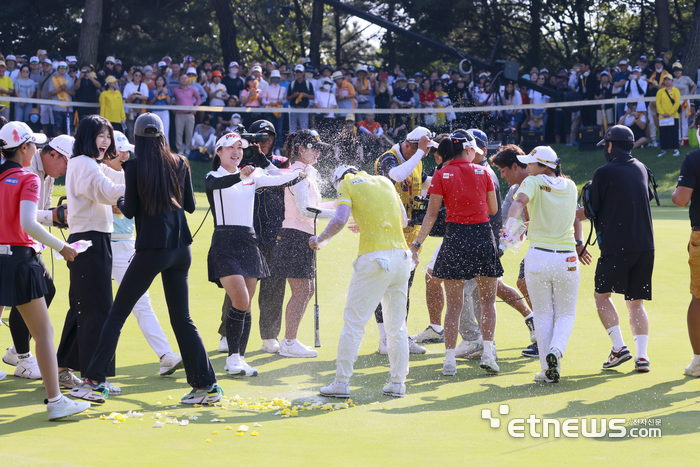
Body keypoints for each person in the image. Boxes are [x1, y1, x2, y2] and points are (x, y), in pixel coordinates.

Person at [68, 113, 221, 404]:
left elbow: (129, 209)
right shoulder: (180, 162)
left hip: (152, 250)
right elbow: (189, 205)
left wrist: (125, 198)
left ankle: (94, 381)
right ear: (163, 135)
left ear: (137, 138)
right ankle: (206, 386)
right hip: (181, 250)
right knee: (182, 318)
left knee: (116, 314)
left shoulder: (136, 165)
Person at [0, 122, 91, 420]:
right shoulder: (28, 177)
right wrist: (62, 247)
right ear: (24, 148)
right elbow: (28, 223)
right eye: (34, 146)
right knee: (45, 334)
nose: (36, 151)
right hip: (20, 261)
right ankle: (56, 402)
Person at [205, 131, 304, 376]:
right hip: (225, 242)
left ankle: (238, 358)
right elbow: (219, 185)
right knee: (240, 301)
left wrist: (300, 173)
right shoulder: (213, 175)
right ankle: (232, 357)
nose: (236, 152)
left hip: (249, 242)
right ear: (219, 152)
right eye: (230, 148)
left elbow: (282, 179)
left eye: (240, 147)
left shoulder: (253, 175)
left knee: (246, 305)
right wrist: (241, 175)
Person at [409, 131, 501, 376]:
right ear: (468, 151)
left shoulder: (441, 174)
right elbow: (493, 209)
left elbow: (431, 214)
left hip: (455, 238)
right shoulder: (484, 172)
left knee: (454, 305)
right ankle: (488, 354)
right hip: (482, 236)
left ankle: (449, 361)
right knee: (488, 301)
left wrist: (417, 244)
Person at [315, 165, 411, 398]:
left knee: (354, 323)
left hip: (374, 260)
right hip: (401, 258)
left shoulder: (346, 184)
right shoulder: (385, 181)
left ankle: (341, 382)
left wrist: (319, 239)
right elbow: (404, 221)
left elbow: (339, 219)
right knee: (397, 326)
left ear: (338, 179)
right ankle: (398, 383)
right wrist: (367, 221)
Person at [103, 130, 183, 376]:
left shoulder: (131, 172)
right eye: (120, 150)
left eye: (128, 149)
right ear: (106, 153)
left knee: (133, 304)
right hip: (108, 244)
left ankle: (165, 355)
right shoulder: (103, 174)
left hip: (127, 243)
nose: (125, 154)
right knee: (99, 305)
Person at [56, 115, 125, 394]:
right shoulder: (84, 163)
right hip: (90, 240)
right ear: (87, 136)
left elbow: (116, 178)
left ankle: (62, 368)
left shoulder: (89, 163)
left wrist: (142, 172)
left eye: (108, 136)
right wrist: (145, 184)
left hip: (92, 239)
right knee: (96, 310)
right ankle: (95, 378)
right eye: (101, 136)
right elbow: (107, 191)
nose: (106, 141)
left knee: (82, 308)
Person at [577, 125, 655, 373]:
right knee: (635, 302)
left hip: (616, 246)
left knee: (602, 296)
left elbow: (590, 210)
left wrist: (568, 214)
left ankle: (619, 347)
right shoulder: (641, 167)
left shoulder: (603, 172)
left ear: (610, 146)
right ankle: (642, 357)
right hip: (645, 245)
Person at [503, 146, 584, 383]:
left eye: (530, 164)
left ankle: (548, 369)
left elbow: (518, 203)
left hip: (538, 257)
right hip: (567, 257)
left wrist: (509, 228)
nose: (527, 168)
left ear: (543, 166)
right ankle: (555, 353)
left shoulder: (533, 181)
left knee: (543, 315)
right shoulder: (570, 185)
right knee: (566, 314)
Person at [2, 134, 73, 382]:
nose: (67, 169)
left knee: (41, 292)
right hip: (17, 245)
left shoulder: (45, 173)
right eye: (67, 162)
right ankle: (22, 357)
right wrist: (60, 243)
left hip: (20, 244)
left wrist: (53, 217)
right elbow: (28, 217)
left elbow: (36, 214)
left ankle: (18, 352)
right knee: (33, 302)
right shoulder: (27, 169)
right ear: (51, 154)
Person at [374, 127, 439, 355]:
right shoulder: (387, 158)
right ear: (409, 145)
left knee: (404, 288)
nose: (427, 154)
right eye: (423, 149)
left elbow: (423, 181)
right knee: (384, 287)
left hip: (411, 237)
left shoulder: (416, 159)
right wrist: (421, 153)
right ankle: (385, 340)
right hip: (387, 234)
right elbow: (397, 176)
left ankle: (400, 336)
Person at [269, 130, 334, 357]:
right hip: (295, 236)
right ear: (300, 149)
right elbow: (305, 209)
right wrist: (337, 216)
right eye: (312, 147)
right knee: (302, 290)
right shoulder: (296, 173)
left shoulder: (307, 173)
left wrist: (340, 206)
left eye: (318, 147)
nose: (317, 151)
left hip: (302, 237)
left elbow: (315, 207)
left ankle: (290, 340)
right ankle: (289, 342)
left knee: (307, 290)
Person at [671, 110, 700, 377]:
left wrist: (672, 193)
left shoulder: (694, 158)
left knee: (699, 298)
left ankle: (699, 361)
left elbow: (681, 200)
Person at [171, 73, 201, 155]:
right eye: (182, 78)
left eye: (186, 78)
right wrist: (172, 107)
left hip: (190, 114)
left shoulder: (192, 89)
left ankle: (188, 149)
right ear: (179, 80)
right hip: (179, 114)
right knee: (179, 132)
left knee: (189, 132)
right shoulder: (175, 90)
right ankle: (180, 149)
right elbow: (169, 98)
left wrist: (196, 107)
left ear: (188, 80)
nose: (184, 80)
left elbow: (198, 98)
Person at [671, 62, 697, 145]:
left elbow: (694, 86)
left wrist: (690, 94)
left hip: (685, 101)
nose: (677, 72)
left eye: (678, 70)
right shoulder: (672, 80)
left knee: (684, 122)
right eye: (675, 70)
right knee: (677, 121)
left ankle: (685, 141)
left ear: (681, 71)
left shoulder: (686, 78)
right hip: (675, 102)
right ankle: (678, 140)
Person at [656, 74, 681, 157]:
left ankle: (675, 149)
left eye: (669, 79)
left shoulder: (676, 91)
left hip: (673, 116)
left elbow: (677, 103)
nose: (667, 81)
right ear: (664, 81)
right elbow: (658, 103)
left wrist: (670, 113)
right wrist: (662, 113)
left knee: (673, 132)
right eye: (665, 79)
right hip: (662, 116)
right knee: (663, 133)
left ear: (672, 81)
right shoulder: (660, 91)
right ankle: (663, 150)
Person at [48, 61, 75, 136]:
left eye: (64, 68)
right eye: (61, 68)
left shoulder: (70, 79)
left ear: (67, 69)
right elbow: (50, 92)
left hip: (68, 107)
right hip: (57, 107)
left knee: (69, 128)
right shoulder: (53, 79)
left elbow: (74, 93)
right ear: (58, 69)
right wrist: (60, 89)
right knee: (58, 128)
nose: (63, 69)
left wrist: (66, 90)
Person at [288, 64, 315, 133]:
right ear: (295, 72)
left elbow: (313, 97)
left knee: (304, 129)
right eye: (297, 72)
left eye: (300, 72)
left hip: (304, 109)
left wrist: (306, 95)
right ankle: (292, 143)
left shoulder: (308, 84)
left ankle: (303, 143)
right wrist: (293, 95)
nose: (298, 73)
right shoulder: (292, 84)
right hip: (293, 108)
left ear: (303, 72)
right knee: (292, 130)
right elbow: (288, 98)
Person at [147, 75, 172, 146]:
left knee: (165, 130)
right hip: (155, 112)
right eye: (158, 80)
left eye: (161, 80)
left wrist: (166, 93)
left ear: (164, 82)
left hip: (164, 112)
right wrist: (155, 96)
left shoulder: (167, 90)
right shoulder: (152, 91)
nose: (159, 81)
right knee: (155, 130)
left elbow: (168, 101)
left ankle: (166, 147)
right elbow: (150, 103)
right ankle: (154, 146)